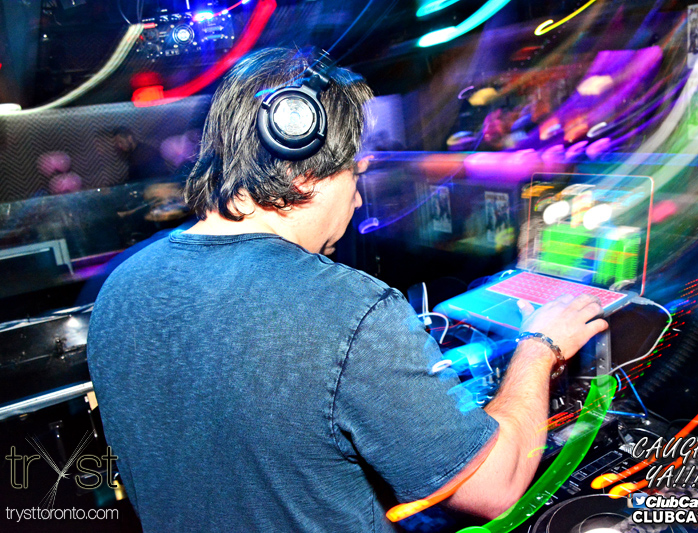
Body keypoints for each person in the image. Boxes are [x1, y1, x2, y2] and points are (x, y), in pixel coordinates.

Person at [87, 48, 607, 532]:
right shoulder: (350, 310)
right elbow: (494, 489)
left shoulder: (122, 286)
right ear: (307, 173)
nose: (357, 200)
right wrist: (540, 346)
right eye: (354, 173)